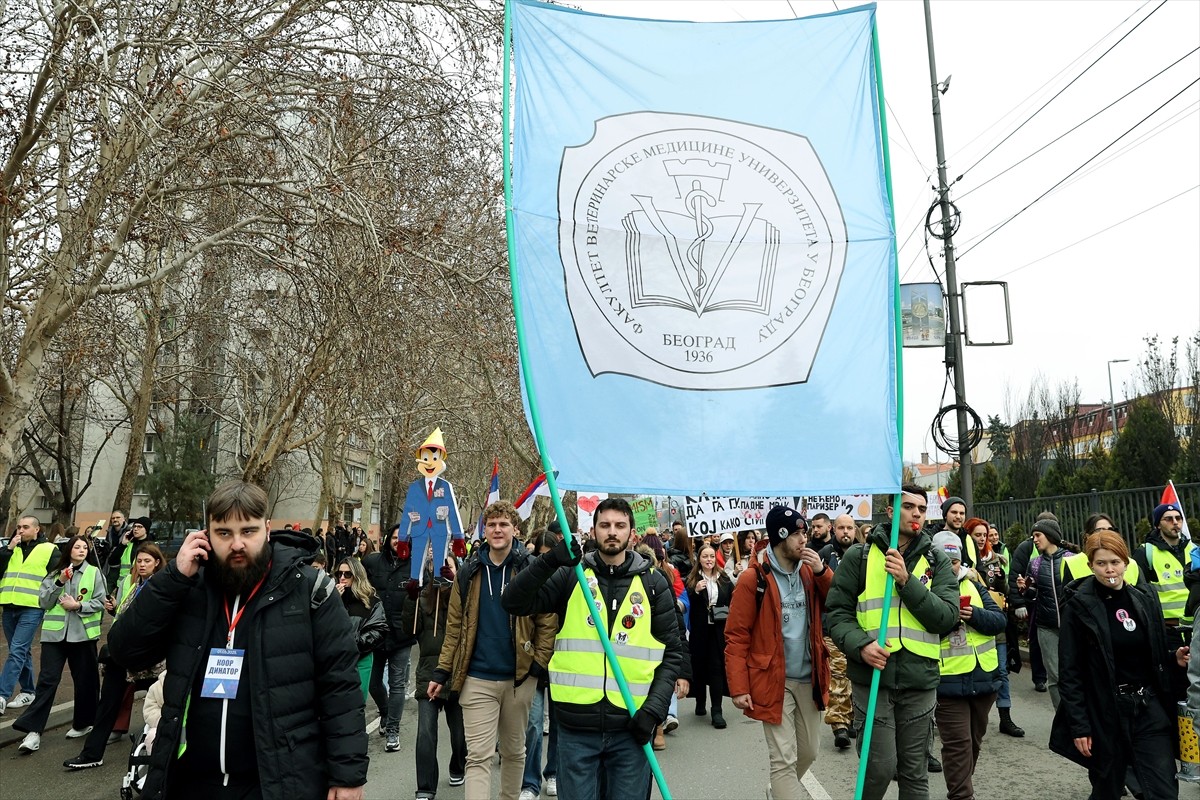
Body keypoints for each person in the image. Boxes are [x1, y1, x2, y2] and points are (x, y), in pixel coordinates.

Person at [107, 480, 368, 800]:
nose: (237, 544)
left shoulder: (310, 590)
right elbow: (125, 651)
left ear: (267, 529)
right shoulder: (187, 586)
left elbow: (340, 686)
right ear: (207, 534)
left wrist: (347, 776)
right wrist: (173, 577)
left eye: (248, 531)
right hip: (191, 782)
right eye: (224, 533)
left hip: (276, 782)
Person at [502, 497, 686, 800]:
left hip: (632, 729)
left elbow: (672, 654)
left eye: (619, 525)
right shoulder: (571, 576)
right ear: (594, 529)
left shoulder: (653, 584)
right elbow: (513, 601)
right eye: (605, 525)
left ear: (631, 533)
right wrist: (549, 561)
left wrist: (653, 713)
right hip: (575, 729)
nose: (611, 532)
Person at [824, 485, 960, 800]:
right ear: (891, 511)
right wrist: (861, 646)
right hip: (873, 678)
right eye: (909, 506)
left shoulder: (936, 560)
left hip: (919, 679)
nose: (916, 514)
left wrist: (906, 581)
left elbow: (946, 617)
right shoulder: (859, 557)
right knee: (880, 768)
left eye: (922, 509)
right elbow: (837, 614)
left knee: (914, 773)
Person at [428, 500, 556, 800]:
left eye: (504, 524)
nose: (497, 529)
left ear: (516, 529)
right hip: (477, 679)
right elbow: (455, 627)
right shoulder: (468, 572)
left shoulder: (530, 568)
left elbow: (547, 620)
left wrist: (538, 664)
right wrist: (442, 670)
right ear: (484, 530)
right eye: (492, 524)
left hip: (519, 679)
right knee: (478, 757)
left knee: (514, 752)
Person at [1050, 530, 1189, 800]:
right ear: (1090, 565)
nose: (1109, 569)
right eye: (1101, 563)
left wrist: (1174, 659)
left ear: (1126, 562)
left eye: (1115, 562)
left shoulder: (1144, 599)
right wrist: (1080, 726)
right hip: (1105, 714)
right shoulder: (1078, 607)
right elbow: (1070, 672)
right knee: (1108, 791)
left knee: (1163, 791)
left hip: (1147, 709)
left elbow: (1153, 656)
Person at [725, 505, 832, 800]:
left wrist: (823, 572)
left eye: (804, 532)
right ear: (780, 536)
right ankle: (785, 788)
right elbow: (736, 637)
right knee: (783, 759)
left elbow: (837, 600)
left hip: (810, 677)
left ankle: (780, 789)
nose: (803, 539)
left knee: (809, 751)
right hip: (774, 681)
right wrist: (738, 687)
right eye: (797, 534)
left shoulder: (811, 570)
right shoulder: (753, 579)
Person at [66, 543, 168, 769]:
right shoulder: (133, 586)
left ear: (157, 563)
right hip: (122, 657)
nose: (141, 565)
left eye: (147, 561)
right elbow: (125, 617)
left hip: (152, 660)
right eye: (139, 561)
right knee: (107, 704)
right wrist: (113, 610)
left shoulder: (162, 587)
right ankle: (92, 754)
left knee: (164, 705)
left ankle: (163, 753)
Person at [12, 535, 107, 753]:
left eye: (85, 547)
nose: (82, 550)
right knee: (47, 680)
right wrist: (60, 582)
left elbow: (101, 601)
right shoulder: (55, 573)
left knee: (86, 680)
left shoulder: (94, 573)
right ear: (68, 550)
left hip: (83, 635)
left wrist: (78, 605)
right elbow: (43, 601)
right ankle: (33, 731)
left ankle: (84, 723)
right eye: (77, 547)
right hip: (54, 636)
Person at [931, 532, 1006, 800]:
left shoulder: (973, 584)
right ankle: (962, 796)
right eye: (945, 560)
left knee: (973, 744)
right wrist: (949, 619)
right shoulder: (926, 587)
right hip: (947, 681)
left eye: (955, 560)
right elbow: (922, 630)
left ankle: (960, 787)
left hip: (983, 679)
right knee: (958, 746)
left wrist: (974, 615)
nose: (951, 566)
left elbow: (999, 622)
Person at [403, 558, 467, 799]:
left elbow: (469, 621)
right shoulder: (422, 598)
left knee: (459, 733)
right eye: (436, 567)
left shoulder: (462, 596)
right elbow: (409, 630)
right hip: (429, 672)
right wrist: (410, 599)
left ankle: (458, 765)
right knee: (426, 733)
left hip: (457, 673)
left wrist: (454, 585)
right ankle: (425, 787)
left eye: (447, 565)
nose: (441, 570)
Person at [362, 522, 417, 752]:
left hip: (402, 635)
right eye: (394, 537)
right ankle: (384, 713)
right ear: (388, 539)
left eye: (402, 537)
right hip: (376, 633)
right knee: (374, 683)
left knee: (396, 685)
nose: (398, 541)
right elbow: (360, 586)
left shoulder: (415, 565)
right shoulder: (373, 562)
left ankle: (392, 730)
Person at [967, 518, 1023, 738]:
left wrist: (1001, 582)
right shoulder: (962, 560)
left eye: (984, 535)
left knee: (1001, 671)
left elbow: (1004, 591)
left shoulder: (995, 561)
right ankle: (970, 717)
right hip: (969, 622)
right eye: (977, 535)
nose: (982, 539)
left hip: (994, 622)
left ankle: (1005, 717)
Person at [0, 515, 61, 716]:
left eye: (25, 527)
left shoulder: (49, 549)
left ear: (37, 529)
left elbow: (56, 578)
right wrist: (8, 550)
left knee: (17, 649)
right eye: (18, 527)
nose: (20, 530)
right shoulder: (11, 548)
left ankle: (2, 695)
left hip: (32, 607)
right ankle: (28, 691)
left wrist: (48, 602)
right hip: (9, 605)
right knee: (20, 650)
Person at [520, 531, 559, 800]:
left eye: (549, 554)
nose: (543, 560)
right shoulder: (529, 578)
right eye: (539, 555)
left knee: (558, 723)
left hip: (562, 662)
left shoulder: (570, 577)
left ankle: (554, 773)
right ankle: (530, 782)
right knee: (533, 724)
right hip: (533, 661)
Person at [1018, 518, 1069, 709]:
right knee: (1054, 675)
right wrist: (1024, 589)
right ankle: (1062, 718)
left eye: (1038, 535)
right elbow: (1032, 594)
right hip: (1046, 627)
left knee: (1074, 673)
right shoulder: (1035, 563)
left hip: (1071, 626)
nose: (1035, 539)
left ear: (1050, 535)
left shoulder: (1072, 558)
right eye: (1033, 536)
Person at [816, 513, 857, 749]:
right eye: (841, 527)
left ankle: (851, 717)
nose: (845, 532)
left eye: (849, 528)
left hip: (858, 627)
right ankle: (839, 725)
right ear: (834, 529)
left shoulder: (864, 554)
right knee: (838, 676)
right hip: (831, 628)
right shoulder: (824, 555)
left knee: (854, 676)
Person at [1132, 500, 1196, 640]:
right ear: (1157, 525)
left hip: (1196, 625)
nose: (1175, 522)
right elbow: (1137, 593)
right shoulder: (1145, 553)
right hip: (1168, 630)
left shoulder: (1194, 550)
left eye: (1178, 518)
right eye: (1168, 519)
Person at [686, 542, 733, 728]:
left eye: (712, 556)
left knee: (716, 669)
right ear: (699, 559)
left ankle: (717, 710)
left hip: (718, 631)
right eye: (705, 556)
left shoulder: (724, 579)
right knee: (699, 667)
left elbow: (732, 599)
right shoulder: (692, 579)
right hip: (699, 631)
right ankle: (700, 701)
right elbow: (685, 600)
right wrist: (695, 591)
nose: (709, 560)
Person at [334, 557, 387, 702]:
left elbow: (379, 630)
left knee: (356, 703)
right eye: (340, 574)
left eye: (347, 574)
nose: (342, 578)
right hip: (335, 659)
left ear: (357, 575)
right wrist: (334, 602)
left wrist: (353, 643)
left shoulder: (371, 601)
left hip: (360, 658)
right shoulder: (332, 598)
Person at [108, 516, 153, 590]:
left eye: (139, 527)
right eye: (134, 526)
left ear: (146, 530)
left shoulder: (150, 547)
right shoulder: (128, 544)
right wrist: (122, 544)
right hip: (123, 585)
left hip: (142, 585)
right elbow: (112, 561)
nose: (135, 529)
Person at [939, 497, 975, 567]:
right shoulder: (933, 538)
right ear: (945, 515)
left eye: (962, 513)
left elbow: (980, 569)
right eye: (954, 512)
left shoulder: (969, 539)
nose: (958, 516)